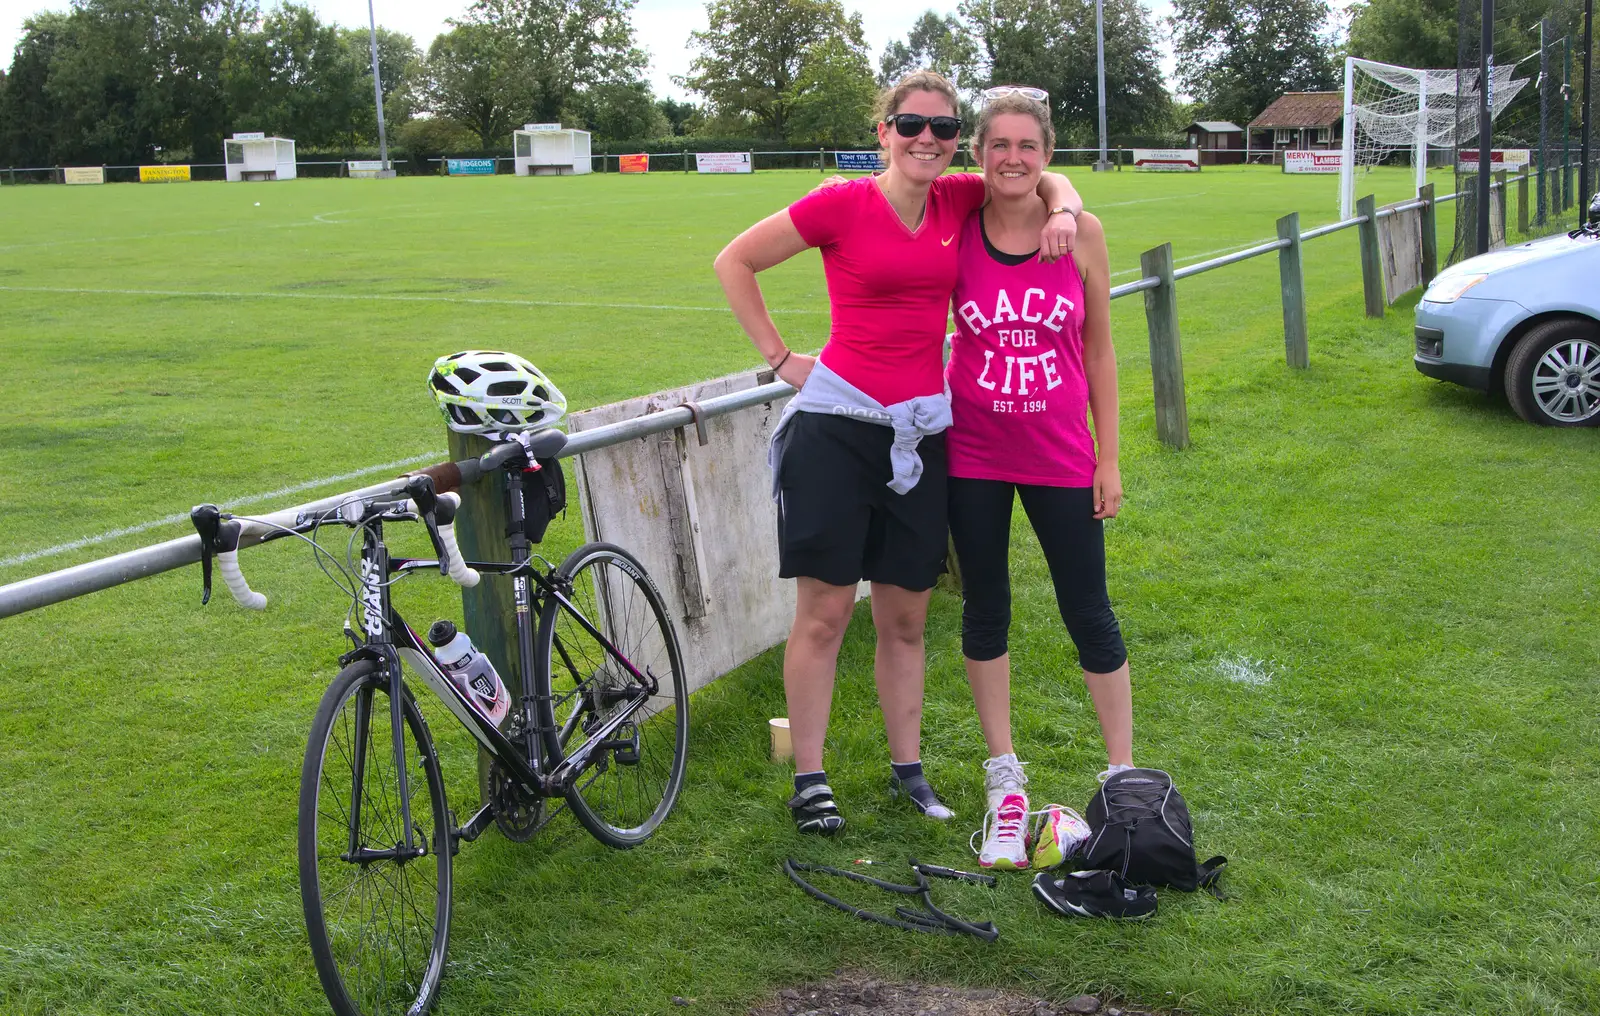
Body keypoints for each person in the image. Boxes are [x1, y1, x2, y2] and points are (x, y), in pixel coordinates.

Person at [713, 71, 1084, 835]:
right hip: (838, 429)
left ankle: (906, 770)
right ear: (883, 132)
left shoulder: (958, 199)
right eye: (912, 125)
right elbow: (735, 261)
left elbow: (1043, 175)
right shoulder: (841, 202)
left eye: (945, 130)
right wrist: (783, 358)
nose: (928, 140)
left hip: (921, 432)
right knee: (822, 615)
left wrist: (1069, 206)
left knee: (906, 618)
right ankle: (810, 779)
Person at [943, 90, 1135, 869]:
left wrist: (1110, 456)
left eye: (1028, 145)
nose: (1013, 158)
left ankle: (1124, 778)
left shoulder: (1081, 233)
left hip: (1061, 454)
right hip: (974, 455)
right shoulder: (958, 227)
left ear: (1046, 154)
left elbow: (1100, 354)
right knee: (986, 610)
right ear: (980, 153)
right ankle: (1005, 780)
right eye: (999, 145)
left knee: (1088, 609)